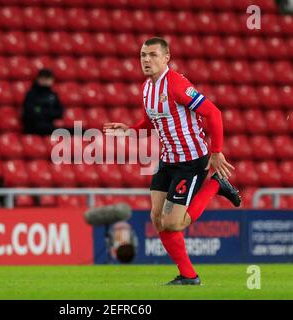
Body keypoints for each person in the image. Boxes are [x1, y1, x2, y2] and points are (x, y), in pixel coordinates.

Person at [103, 37, 241, 285]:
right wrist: (129, 129)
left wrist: (217, 151)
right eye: (143, 55)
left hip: (192, 160)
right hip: (168, 160)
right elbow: (150, 122)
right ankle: (189, 276)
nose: (146, 59)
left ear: (166, 58)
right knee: (158, 220)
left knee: (174, 222)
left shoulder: (177, 85)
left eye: (153, 55)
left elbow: (213, 112)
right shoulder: (146, 88)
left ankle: (215, 185)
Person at [21, 68, 63, 136]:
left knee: (77, 131)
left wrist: (42, 111)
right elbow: (31, 112)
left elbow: (59, 112)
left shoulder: (53, 95)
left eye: (48, 78)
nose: (46, 80)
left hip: (49, 126)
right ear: (38, 79)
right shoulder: (32, 94)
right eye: (43, 77)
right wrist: (48, 112)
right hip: (33, 128)